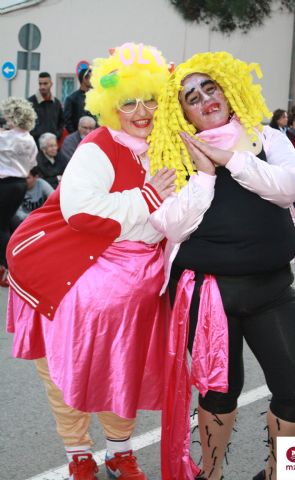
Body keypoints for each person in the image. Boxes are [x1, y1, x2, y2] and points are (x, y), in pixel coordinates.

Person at [6, 43, 175, 480]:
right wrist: (147, 197)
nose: (141, 111)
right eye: (128, 102)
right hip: (68, 273)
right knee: (67, 370)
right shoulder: (98, 145)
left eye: (149, 99)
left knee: (126, 370)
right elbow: (81, 210)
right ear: (108, 105)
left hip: (141, 282)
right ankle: (78, 452)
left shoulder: (168, 145)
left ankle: (119, 451)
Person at [148, 51, 295, 480]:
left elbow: (290, 186)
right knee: (219, 392)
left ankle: (289, 475)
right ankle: (210, 474)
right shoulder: (173, 153)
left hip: (273, 288)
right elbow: (169, 224)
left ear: (227, 89)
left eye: (210, 87)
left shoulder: (265, 137)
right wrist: (204, 175)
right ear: (182, 111)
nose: (205, 98)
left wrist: (229, 159)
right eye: (191, 96)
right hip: (206, 295)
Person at [0, 97, 37, 287]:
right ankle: (19, 259)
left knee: (2, 227)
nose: (6, 120)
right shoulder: (29, 138)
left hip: (5, 184)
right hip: (21, 184)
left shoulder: (7, 137)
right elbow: (32, 163)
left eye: (8, 116)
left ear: (14, 117)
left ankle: (11, 268)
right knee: (9, 221)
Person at [10, 166, 54, 230]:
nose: (24, 181)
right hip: (25, 221)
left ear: (36, 177)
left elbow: (53, 196)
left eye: (28, 178)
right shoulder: (18, 188)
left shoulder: (41, 183)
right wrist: (34, 218)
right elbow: (18, 212)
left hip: (41, 217)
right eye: (22, 178)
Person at [28, 72, 64, 145]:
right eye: (40, 84)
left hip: (52, 144)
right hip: (35, 144)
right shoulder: (30, 102)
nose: (42, 87)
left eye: (45, 83)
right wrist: (36, 135)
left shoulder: (56, 103)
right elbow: (26, 123)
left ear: (51, 84)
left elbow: (62, 122)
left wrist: (57, 135)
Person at [64, 67, 95, 134]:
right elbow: (67, 121)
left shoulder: (94, 97)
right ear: (84, 79)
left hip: (92, 137)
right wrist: (76, 136)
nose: (94, 81)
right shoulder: (71, 99)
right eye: (91, 78)